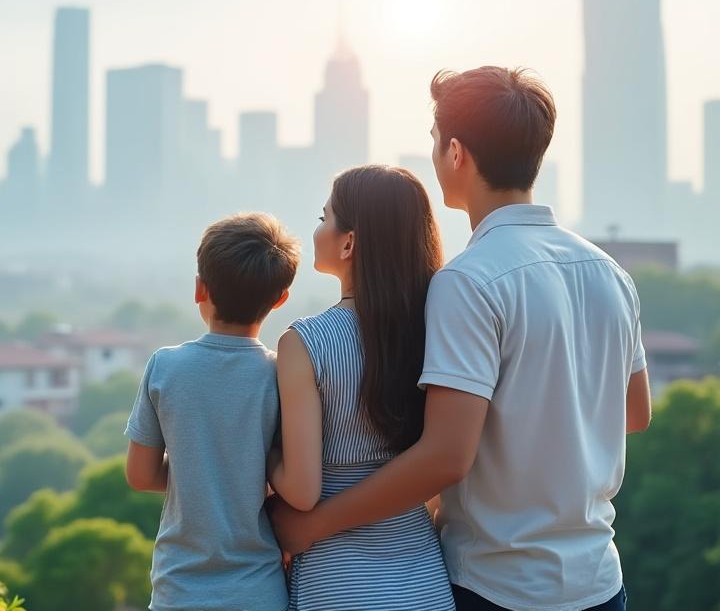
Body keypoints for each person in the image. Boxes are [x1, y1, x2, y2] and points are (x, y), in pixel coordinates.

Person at [272, 67, 652, 611]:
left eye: (433, 141)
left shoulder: (467, 282)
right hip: (599, 583)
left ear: (456, 153)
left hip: (497, 586)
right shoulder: (609, 273)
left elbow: (446, 457)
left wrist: (312, 528)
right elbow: (633, 413)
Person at [270, 165, 454, 610]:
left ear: (349, 242)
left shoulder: (306, 343)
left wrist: (264, 454)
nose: (317, 230)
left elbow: (303, 488)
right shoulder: (436, 334)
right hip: (424, 583)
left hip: (337, 585)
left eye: (323, 218)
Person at [125, 212, 300, 611]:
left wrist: (196, 469)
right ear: (279, 298)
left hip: (179, 590)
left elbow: (140, 474)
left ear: (200, 288)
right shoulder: (282, 376)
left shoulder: (164, 367)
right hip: (260, 590)